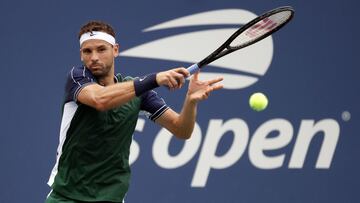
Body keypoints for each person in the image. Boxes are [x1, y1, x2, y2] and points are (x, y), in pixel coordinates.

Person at [46, 20, 223, 203]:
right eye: (87, 51)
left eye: (101, 49)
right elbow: (100, 99)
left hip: (111, 198)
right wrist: (154, 79)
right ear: (81, 55)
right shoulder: (78, 77)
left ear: (115, 50)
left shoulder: (138, 93)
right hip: (66, 197)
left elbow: (182, 130)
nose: (94, 57)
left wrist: (191, 101)